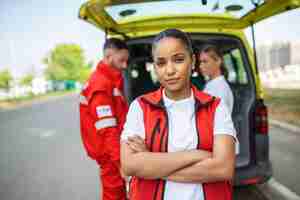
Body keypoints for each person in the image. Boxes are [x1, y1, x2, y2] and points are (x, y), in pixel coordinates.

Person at [120, 29, 237, 200]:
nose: (169, 70)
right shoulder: (140, 107)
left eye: (179, 60)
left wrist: (151, 162)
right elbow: (129, 165)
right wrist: (197, 154)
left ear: (192, 61)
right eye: (160, 63)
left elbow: (223, 169)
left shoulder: (216, 107)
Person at [79, 38, 129, 200]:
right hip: (110, 155)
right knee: (114, 194)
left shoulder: (109, 81)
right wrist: (120, 163)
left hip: (114, 152)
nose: (125, 65)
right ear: (108, 56)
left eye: (126, 61)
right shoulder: (100, 85)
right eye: (121, 60)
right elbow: (107, 129)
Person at [198, 44, 234, 113]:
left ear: (218, 61)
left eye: (205, 61)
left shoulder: (220, 89)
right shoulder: (211, 83)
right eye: (200, 62)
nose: (200, 66)